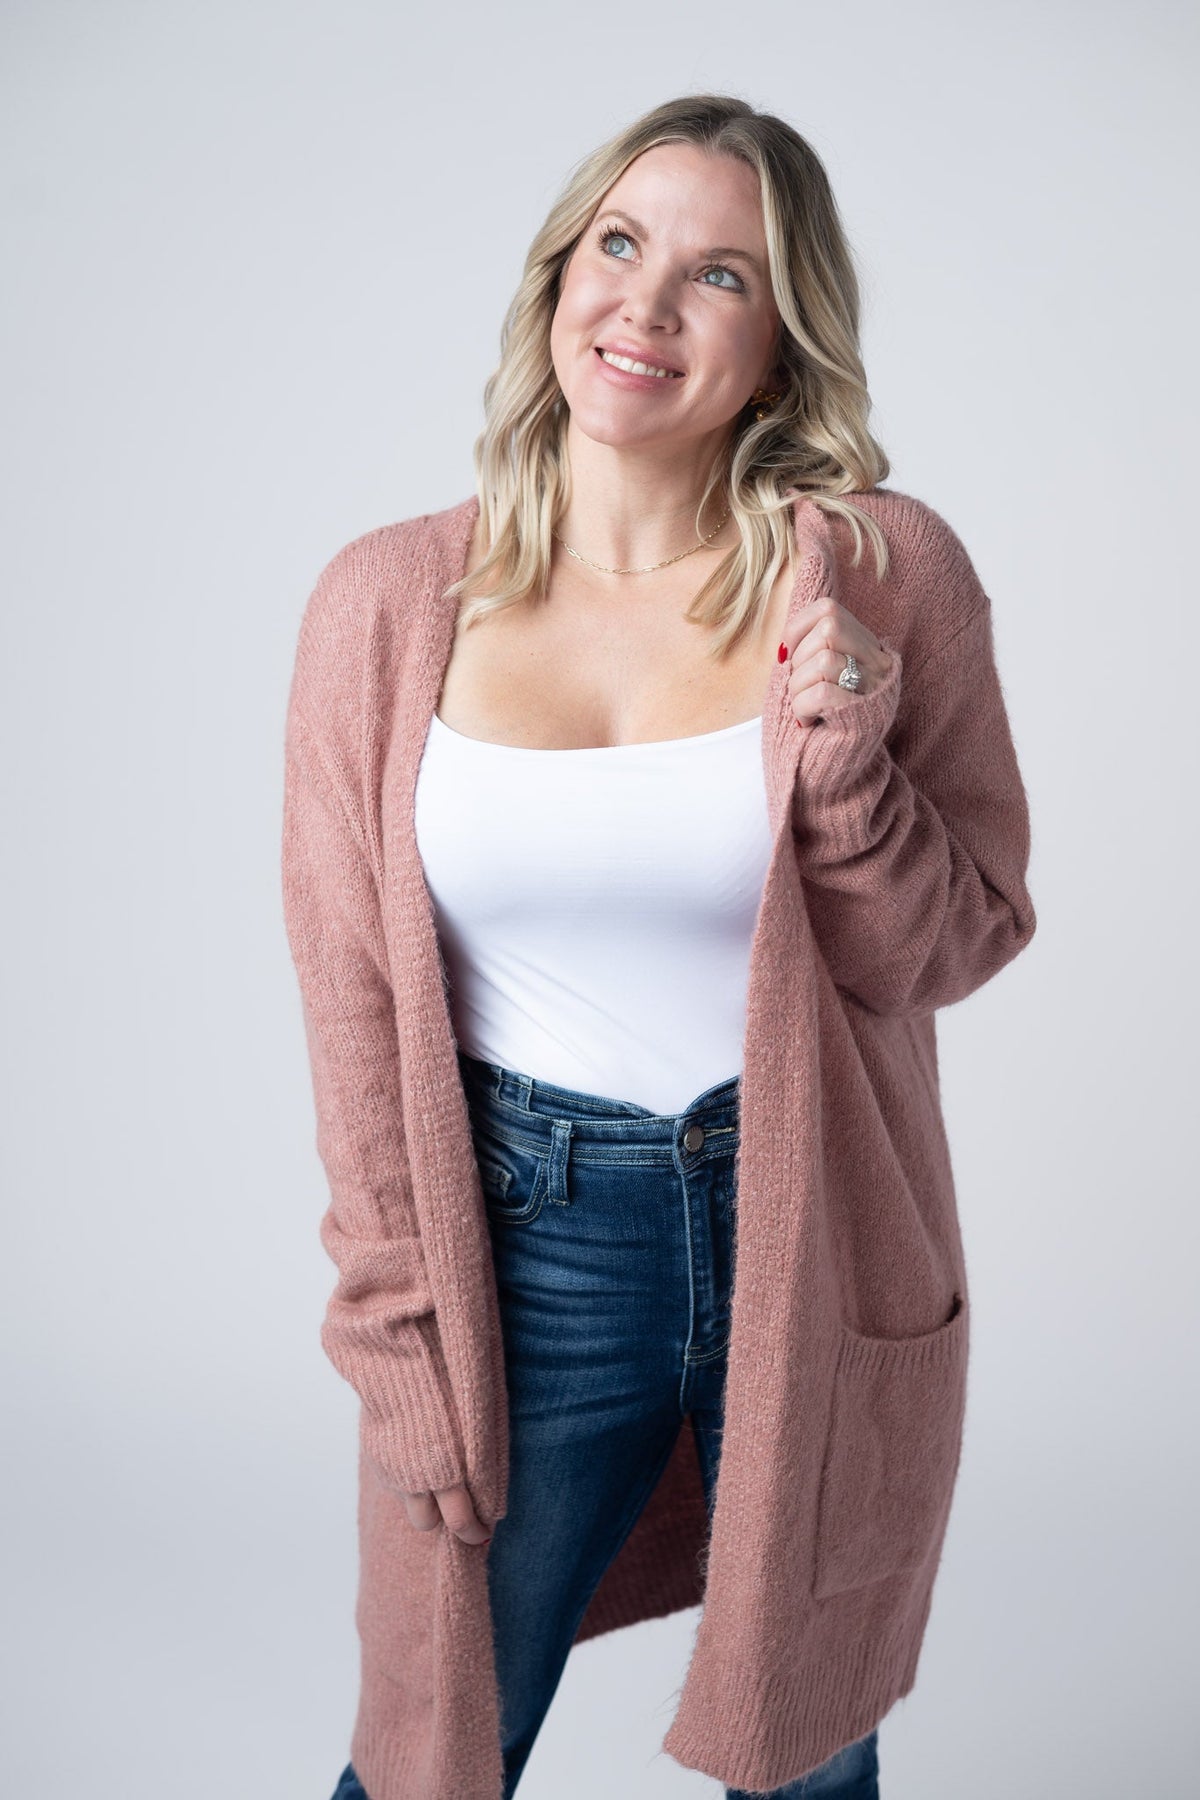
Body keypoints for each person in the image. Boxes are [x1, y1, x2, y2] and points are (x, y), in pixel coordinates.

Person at [281, 94, 1037, 1800]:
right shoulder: (384, 607)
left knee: (806, 1749)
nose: (648, 303)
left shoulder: (883, 574)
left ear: (779, 344)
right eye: (620, 245)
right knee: (432, 1754)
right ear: (559, 276)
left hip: (818, 1228)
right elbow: (353, 1004)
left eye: (721, 275)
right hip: (524, 1253)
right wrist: (394, 1335)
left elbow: (954, 942)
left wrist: (847, 758)